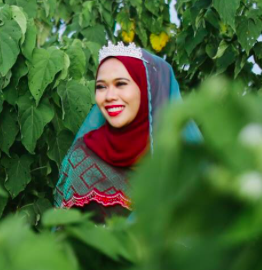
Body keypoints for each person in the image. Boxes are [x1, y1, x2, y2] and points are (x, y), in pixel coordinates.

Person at [53, 41, 199, 221]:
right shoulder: (83, 157)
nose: (109, 96)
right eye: (101, 87)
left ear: (147, 90)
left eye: (121, 84)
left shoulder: (182, 159)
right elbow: (64, 235)